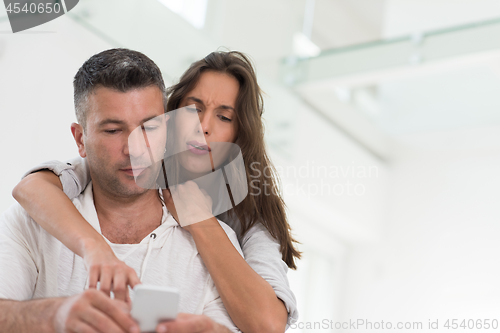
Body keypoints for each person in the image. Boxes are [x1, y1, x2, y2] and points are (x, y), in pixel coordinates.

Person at [13, 50, 301, 332]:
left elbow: (267, 324)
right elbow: (32, 187)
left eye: (224, 117)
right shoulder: (119, 167)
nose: (203, 127)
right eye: (195, 110)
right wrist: (95, 248)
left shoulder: (248, 221)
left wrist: (198, 219)